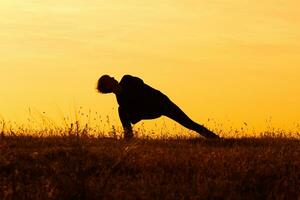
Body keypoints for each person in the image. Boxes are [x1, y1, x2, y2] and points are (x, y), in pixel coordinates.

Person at [97, 74, 219, 139]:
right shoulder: (121, 101)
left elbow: (140, 84)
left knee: (188, 123)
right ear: (108, 88)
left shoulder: (126, 79)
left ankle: (214, 138)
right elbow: (133, 116)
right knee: (121, 110)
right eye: (109, 79)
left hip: (161, 102)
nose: (113, 77)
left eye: (110, 77)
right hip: (149, 110)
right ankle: (128, 135)